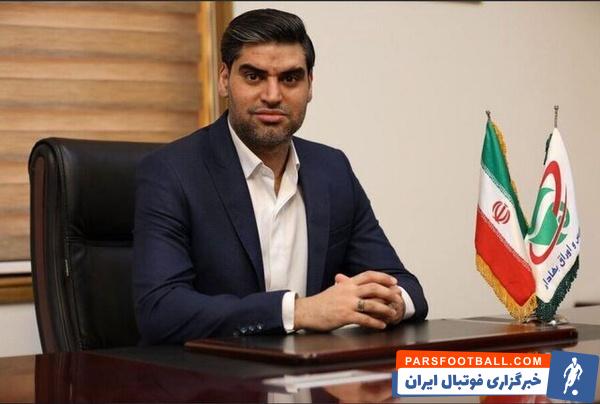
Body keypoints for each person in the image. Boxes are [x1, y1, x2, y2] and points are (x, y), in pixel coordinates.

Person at [133, 8, 427, 344]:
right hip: (212, 372)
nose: (272, 95)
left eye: (289, 79)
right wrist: (298, 312)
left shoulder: (332, 169)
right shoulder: (171, 172)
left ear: (310, 85)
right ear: (224, 79)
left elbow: (406, 287)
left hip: (315, 372)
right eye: (254, 76)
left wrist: (391, 304)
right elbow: (159, 311)